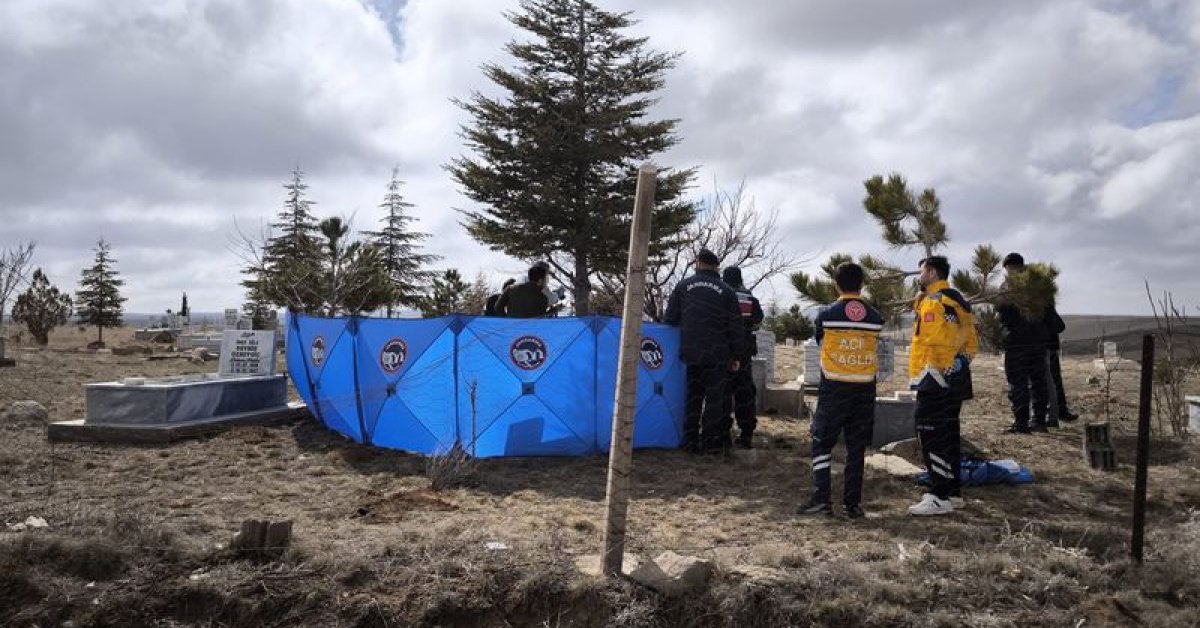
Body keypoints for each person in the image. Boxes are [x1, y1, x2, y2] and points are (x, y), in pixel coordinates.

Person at [797, 263, 883, 519]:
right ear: (862, 284)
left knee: (822, 443)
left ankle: (822, 499)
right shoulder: (875, 317)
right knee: (856, 448)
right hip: (865, 388)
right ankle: (852, 505)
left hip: (834, 387)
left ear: (836, 285)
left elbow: (820, 340)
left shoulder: (826, 315)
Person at [907, 256, 978, 516]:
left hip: (934, 378)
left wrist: (936, 371)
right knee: (948, 434)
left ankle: (939, 495)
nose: (919, 276)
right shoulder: (957, 300)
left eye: (922, 271)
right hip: (955, 378)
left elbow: (933, 342)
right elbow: (972, 342)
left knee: (931, 434)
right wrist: (959, 363)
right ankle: (953, 492)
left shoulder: (934, 302)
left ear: (932, 272)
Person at [664, 248, 744, 454]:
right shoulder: (727, 291)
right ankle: (711, 444)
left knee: (693, 398)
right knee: (714, 401)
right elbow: (736, 326)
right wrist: (736, 355)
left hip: (691, 353)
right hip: (718, 355)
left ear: (697, 263)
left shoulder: (683, 286)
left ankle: (690, 442)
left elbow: (670, 319)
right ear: (717, 266)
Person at [997, 253, 1051, 433]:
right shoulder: (1039, 285)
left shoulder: (1008, 287)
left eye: (1007, 269)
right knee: (1038, 382)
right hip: (1038, 342)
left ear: (1010, 267)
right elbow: (1049, 312)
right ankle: (1039, 421)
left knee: (1017, 383)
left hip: (1016, 342)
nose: (1007, 273)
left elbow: (1003, 315)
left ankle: (1021, 423)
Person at [721, 266, 764, 449]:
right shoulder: (749, 298)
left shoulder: (721, 294)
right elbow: (758, 321)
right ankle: (746, 434)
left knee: (723, 391)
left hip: (723, 349)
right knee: (744, 392)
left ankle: (723, 434)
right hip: (744, 350)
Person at [1044, 303, 1078, 425]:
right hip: (1047, 348)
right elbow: (1060, 326)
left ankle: (1057, 413)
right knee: (1052, 382)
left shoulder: (1043, 306)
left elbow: (1060, 326)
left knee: (1052, 382)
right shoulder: (1045, 306)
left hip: (1047, 348)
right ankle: (1058, 412)